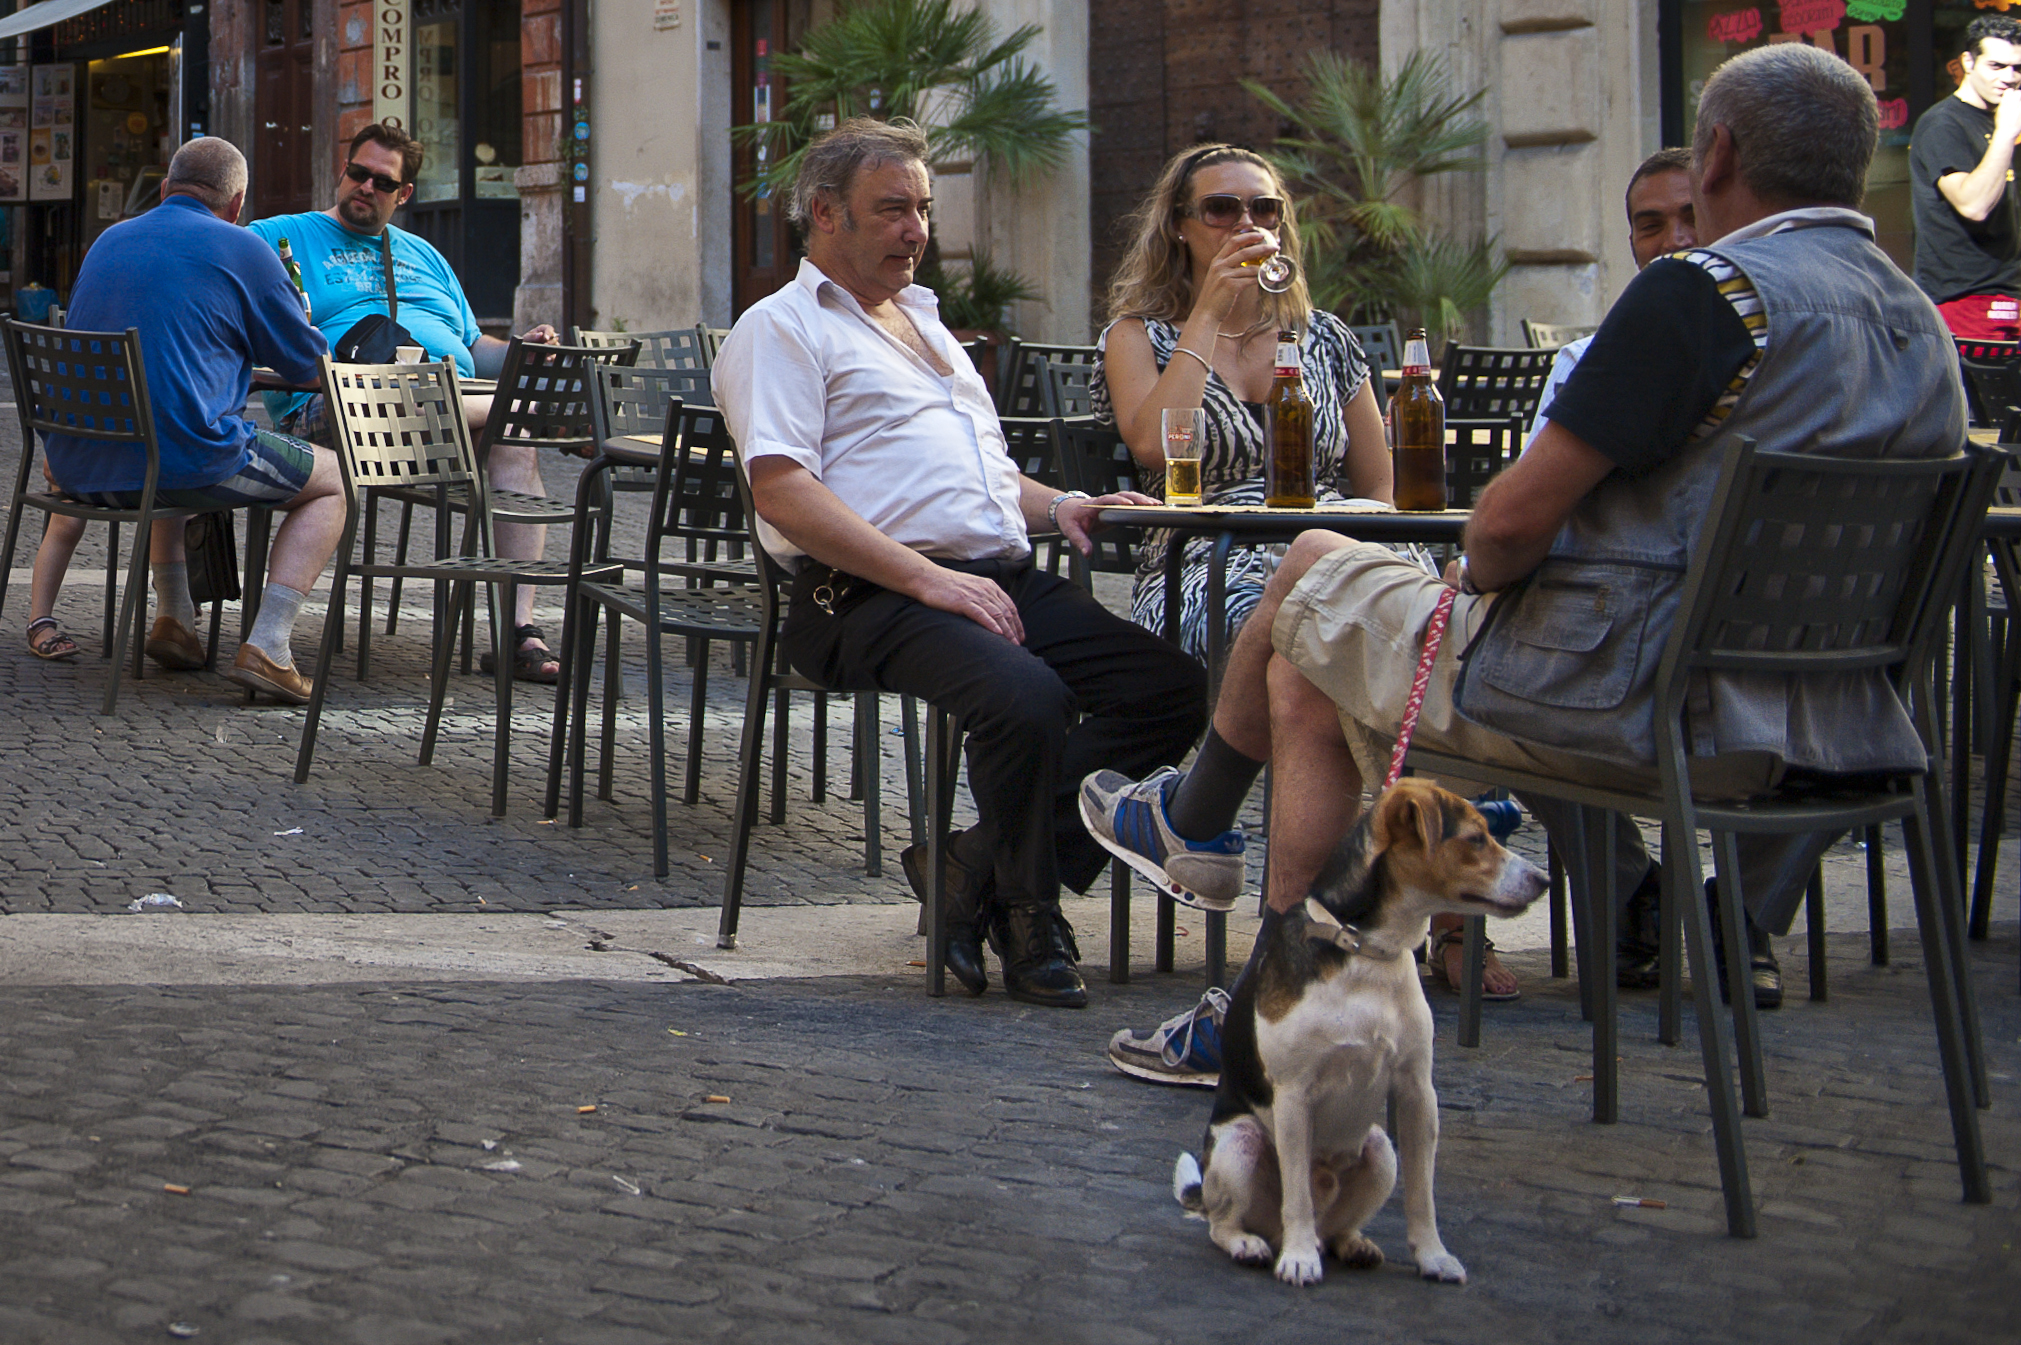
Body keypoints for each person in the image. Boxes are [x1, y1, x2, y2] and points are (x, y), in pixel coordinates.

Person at [1092, 42, 1960, 1084]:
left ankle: (1220, 900)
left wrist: (1479, 582)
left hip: (1624, 704)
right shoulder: (1921, 326)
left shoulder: (1706, 297)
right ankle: (1250, 962)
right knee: (1315, 614)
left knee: (1311, 591)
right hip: (1828, 733)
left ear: (1716, 152)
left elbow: (1501, 530)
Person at [713, 118, 1208, 1009]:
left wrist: (1058, 505)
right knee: (1026, 697)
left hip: (992, 574)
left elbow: (975, 472)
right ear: (825, 215)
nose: (917, 230)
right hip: (859, 593)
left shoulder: (927, 320)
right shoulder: (779, 328)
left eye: (924, 209)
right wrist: (924, 576)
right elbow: (782, 491)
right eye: (893, 210)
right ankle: (1028, 913)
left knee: (1168, 685)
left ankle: (968, 864)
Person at [244, 122, 566, 682]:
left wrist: (520, 353)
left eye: (382, 182)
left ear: (405, 194)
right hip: (336, 407)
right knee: (511, 414)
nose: (365, 187)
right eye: (357, 173)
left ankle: (518, 632)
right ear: (342, 172)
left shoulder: (426, 255)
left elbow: (473, 349)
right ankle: (533, 412)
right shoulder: (281, 236)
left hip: (446, 410)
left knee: (512, 440)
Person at [33, 136, 342, 703]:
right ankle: (269, 645)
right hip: (180, 461)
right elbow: (309, 366)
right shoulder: (244, 248)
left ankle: (175, 616)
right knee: (334, 483)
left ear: (166, 188)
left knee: (169, 428)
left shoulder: (107, 240)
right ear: (236, 203)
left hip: (81, 462)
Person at [1094, 144, 1392, 661]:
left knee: (1401, 611)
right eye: (1221, 208)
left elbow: (1379, 481)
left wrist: (1368, 543)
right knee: (1277, 620)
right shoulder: (1137, 336)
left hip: (1331, 541)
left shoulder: (1324, 337)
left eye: (1264, 208)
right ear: (1179, 227)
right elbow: (1153, 447)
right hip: (1204, 553)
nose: (1245, 222)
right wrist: (1208, 313)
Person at [1910, 14, 2021, 339]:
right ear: (1968, 62)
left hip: (2008, 293)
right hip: (1963, 300)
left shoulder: (1999, 120)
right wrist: (2006, 133)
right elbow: (1973, 205)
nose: (2009, 78)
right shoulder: (1943, 124)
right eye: (1997, 66)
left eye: (2017, 69)